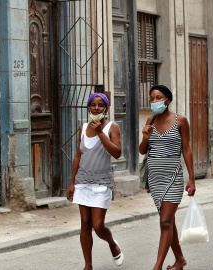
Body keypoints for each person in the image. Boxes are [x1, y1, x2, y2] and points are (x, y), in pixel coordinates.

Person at [139, 85, 196, 270]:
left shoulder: (181, 120)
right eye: (152, 98)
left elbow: (186, 149)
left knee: (164, 221)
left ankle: (157, 266)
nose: (154, 101)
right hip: (155, 179)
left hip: (173, 177)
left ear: (167, 101)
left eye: (158, 98)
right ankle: (179, 260)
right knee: (168, 221)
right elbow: (142, 150)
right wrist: (145, 137)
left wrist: (192, 179)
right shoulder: (150, 120)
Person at [67, 92, 124, 270]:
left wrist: (100, 133)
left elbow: (117, 152)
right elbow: (78, 156)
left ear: (106, 109)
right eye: (93, 105)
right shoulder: (83, 128)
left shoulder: (112, 127)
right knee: (85, 224)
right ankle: (88, 265)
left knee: (98, 226)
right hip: (83, 181)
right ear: (88, 107)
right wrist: (71, 183)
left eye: (100, 105)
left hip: (101, 182)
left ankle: (112, 243)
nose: (96, 108)